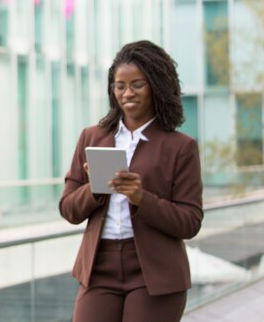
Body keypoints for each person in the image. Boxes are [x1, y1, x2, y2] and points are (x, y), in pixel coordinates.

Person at [59, 40, 203, 322]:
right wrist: (95, 188)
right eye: (119, 86)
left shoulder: (180, 147)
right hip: (99, 268)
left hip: (156, 273)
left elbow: (190, 221)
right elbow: (68, 209)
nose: (127, 93)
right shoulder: (92, 138)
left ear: (157, 85)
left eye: (137, 84)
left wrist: (142, 198)